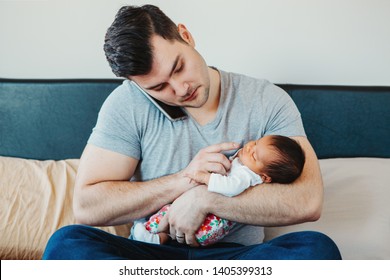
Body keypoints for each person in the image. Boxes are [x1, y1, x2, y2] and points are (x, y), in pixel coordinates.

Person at [43, 4, 341, 259]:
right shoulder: (126, 104)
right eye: (159, 87)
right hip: (150, 259)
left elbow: (307, 200)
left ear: (186, 36)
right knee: (66, 245)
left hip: (237, 260)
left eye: (178, 67)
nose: (180, 89)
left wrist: (206, 199)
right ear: (138, 85)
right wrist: (183, 181)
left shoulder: (267, 100)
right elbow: (86, 206)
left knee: (316, 249)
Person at [131, 135, 305, 246]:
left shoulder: (248, 176)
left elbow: (230, 187)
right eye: (256, 143)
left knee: (169, 212)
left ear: (265, 177)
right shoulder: (248, 166)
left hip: (210, 224)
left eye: (254, 155)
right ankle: (157, 238)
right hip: (208, 226)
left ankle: (152, 235)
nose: (250, 147)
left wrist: (204, 178)